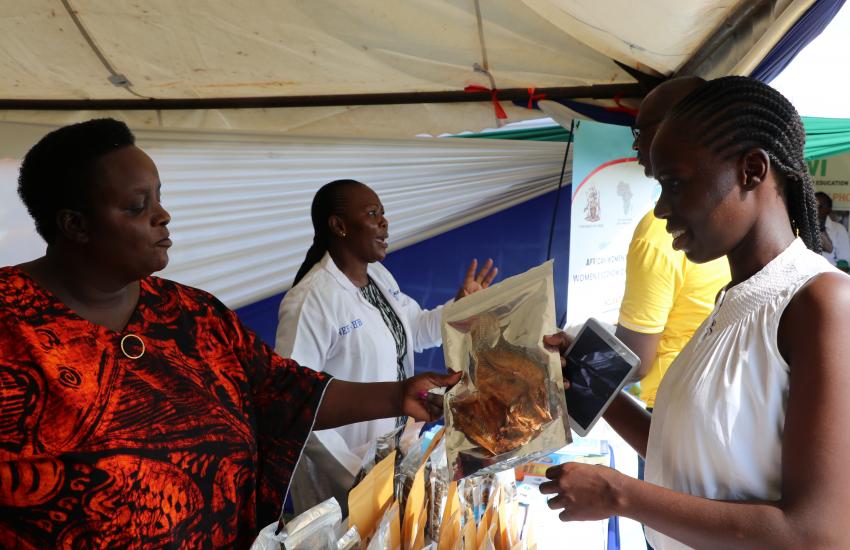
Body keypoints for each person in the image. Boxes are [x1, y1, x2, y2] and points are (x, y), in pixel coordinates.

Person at [0, 119, 460, 549]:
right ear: (75, 224)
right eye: (138, 207)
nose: (163, 215)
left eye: (159, 198)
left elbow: (285, 391)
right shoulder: (11, 324)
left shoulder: (193, 314)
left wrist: (398, 394)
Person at [541, 76, 850, 548]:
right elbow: (688, 458)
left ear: (751, 170)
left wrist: (619, 494)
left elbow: (816, 535)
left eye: (675, 184)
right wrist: (586, 381)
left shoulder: (820, 303)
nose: (661, 209)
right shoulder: (735, 300)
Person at [276, 179, 496, 513]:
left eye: (383, 213)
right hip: (341, 485)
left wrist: (460, 306)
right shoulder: (310, 301)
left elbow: (415, 330)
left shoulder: (379, 278)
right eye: (372, 213)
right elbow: (292, 403)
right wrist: (356, 473)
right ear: (339, 226)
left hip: (393, 464)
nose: (384, 221)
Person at [815, 191, 850, 269]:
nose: (816, 210)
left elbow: (844, 262)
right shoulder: (802, 227)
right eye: (813, 206)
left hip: (829, 273)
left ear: (829, 209)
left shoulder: (838, 229)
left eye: (820, 206)